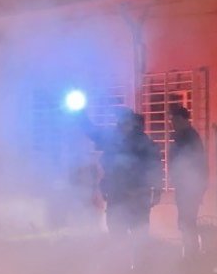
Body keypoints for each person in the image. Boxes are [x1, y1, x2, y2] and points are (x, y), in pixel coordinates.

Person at [82, 108, 162, 238]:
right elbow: (93, 133)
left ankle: (133, 251)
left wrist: (157, 189)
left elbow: (155, 167)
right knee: (123, 233)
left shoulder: (140, 143)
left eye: (120, 121)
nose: (117, 124)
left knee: (134, 234)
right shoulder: (118, 140)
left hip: (132, 195)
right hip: (122, 194)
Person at [168, 105, 208, 259]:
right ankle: (190, 253)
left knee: (187, 221)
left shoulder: (189, 137)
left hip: (189, 188)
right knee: (186, 221)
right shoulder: (184, 137)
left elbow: (195, 163)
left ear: (183, 119)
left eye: (175, 119)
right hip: (186, 187)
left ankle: (191, 255)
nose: (173, 123)